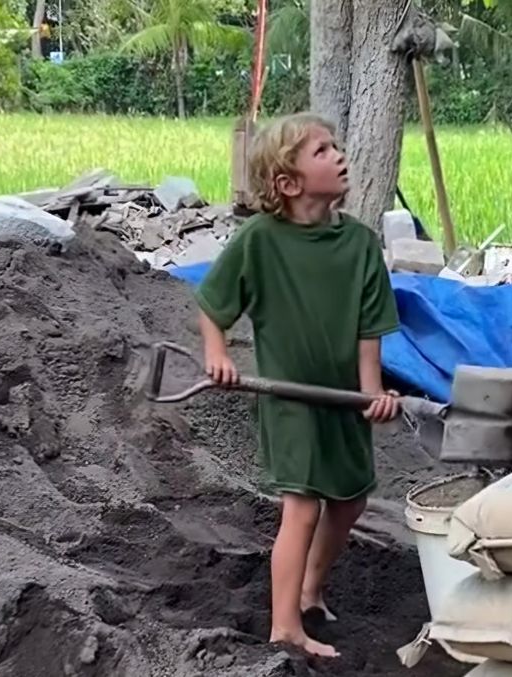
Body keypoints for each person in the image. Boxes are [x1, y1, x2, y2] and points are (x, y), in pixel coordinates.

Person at [194, 112, 400, 658]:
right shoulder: (259, 241)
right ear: (287, 183)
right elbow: (213, 306)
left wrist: (371, 395)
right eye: (322, 151)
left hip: (341, 399)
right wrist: (216, 355)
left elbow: (367, 331)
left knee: (350, 502)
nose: (339, 155)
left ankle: (310, 587)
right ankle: (284, 625)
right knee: (302, 507)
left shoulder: (359, 244)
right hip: (290, 400)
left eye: (336, 147)